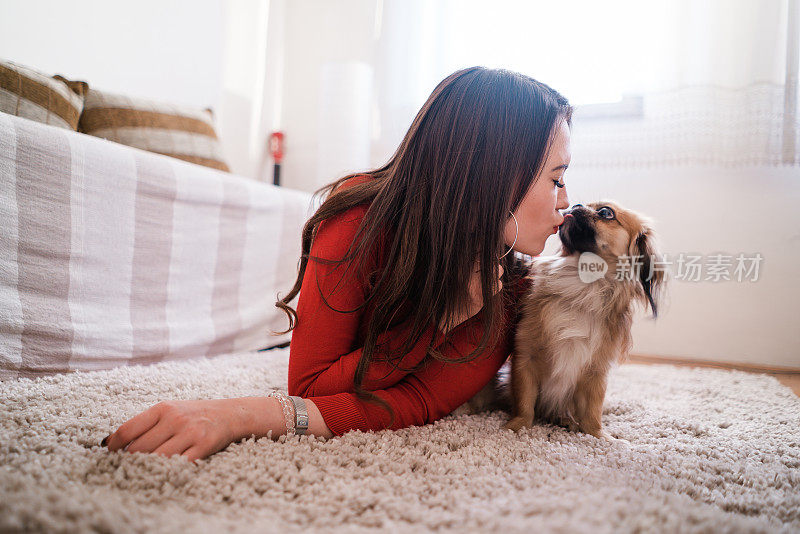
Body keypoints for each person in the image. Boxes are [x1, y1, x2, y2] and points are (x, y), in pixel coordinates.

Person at [100, 66, 573, 462]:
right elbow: (309, 384)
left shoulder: (511, 287)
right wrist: (438, 322)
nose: (566, 204)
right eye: (557, 180)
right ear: (497, 174)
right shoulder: (358, 218)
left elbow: (418, 402)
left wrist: (246, 415)